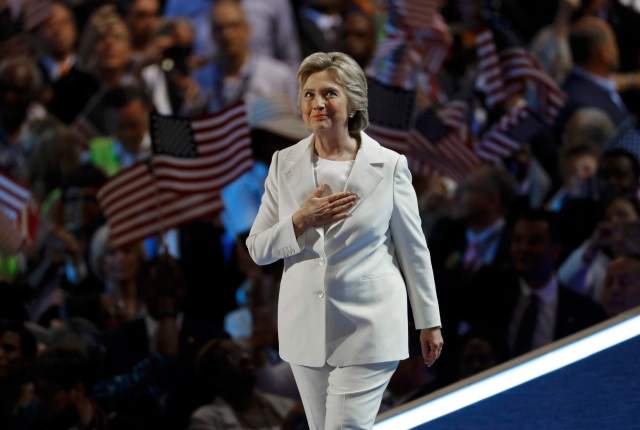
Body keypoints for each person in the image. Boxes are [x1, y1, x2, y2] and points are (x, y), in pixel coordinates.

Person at [246, 52, 443, 430]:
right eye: (308, 94)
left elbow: (413, 250)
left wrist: (428, 322)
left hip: (369, 326)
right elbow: (258, 249)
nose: (318, 104)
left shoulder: (389, 165)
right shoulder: (282, 164)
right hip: (305, 328)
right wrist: (302, 219)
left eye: (330, 93)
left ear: (353, 101)